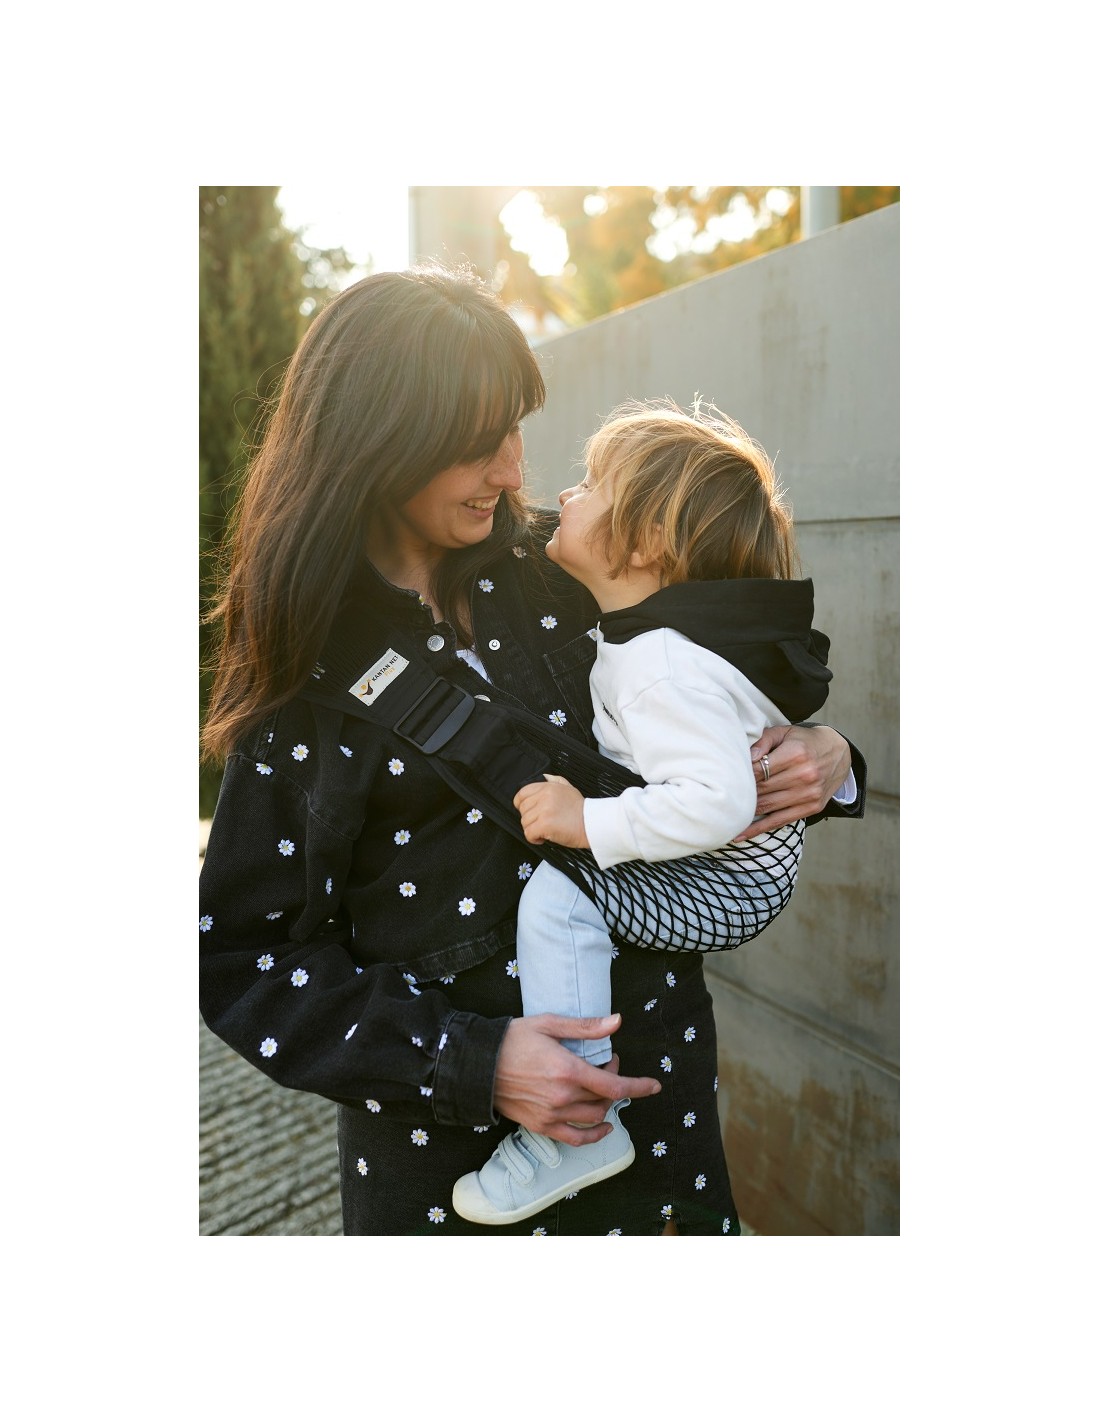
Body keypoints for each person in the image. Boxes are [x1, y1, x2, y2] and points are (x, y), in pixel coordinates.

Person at [199, 263, 863, 1236]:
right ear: (377, 440)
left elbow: (731, 689)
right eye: (479, 443)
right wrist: (469, 1062)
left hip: (662, 1118)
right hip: (451, 1171)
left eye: (513, 428)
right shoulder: (302, 670)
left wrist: (827, 754)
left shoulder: (574, 568)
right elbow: (242, 958)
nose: (514, 471)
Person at [450, 398, 834, 1225]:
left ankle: (579, 1123)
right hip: (731, 862)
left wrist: (586, 823)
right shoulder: (650, 641)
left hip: (732, 876)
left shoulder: (660, 662)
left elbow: (718, 801)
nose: (566, 493)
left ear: (647, 540)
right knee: (571, 895)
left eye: (592, 485)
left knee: (561, 899)